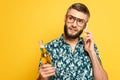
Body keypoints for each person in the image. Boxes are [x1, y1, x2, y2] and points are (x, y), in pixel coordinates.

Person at [38, 3, 108, 80]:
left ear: (85, 26)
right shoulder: (50, 48)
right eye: (71, 18)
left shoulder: (91, 47)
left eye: (80, 21)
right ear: (65, 18)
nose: (74, 25)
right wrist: (42, 77)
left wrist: (91, 52)